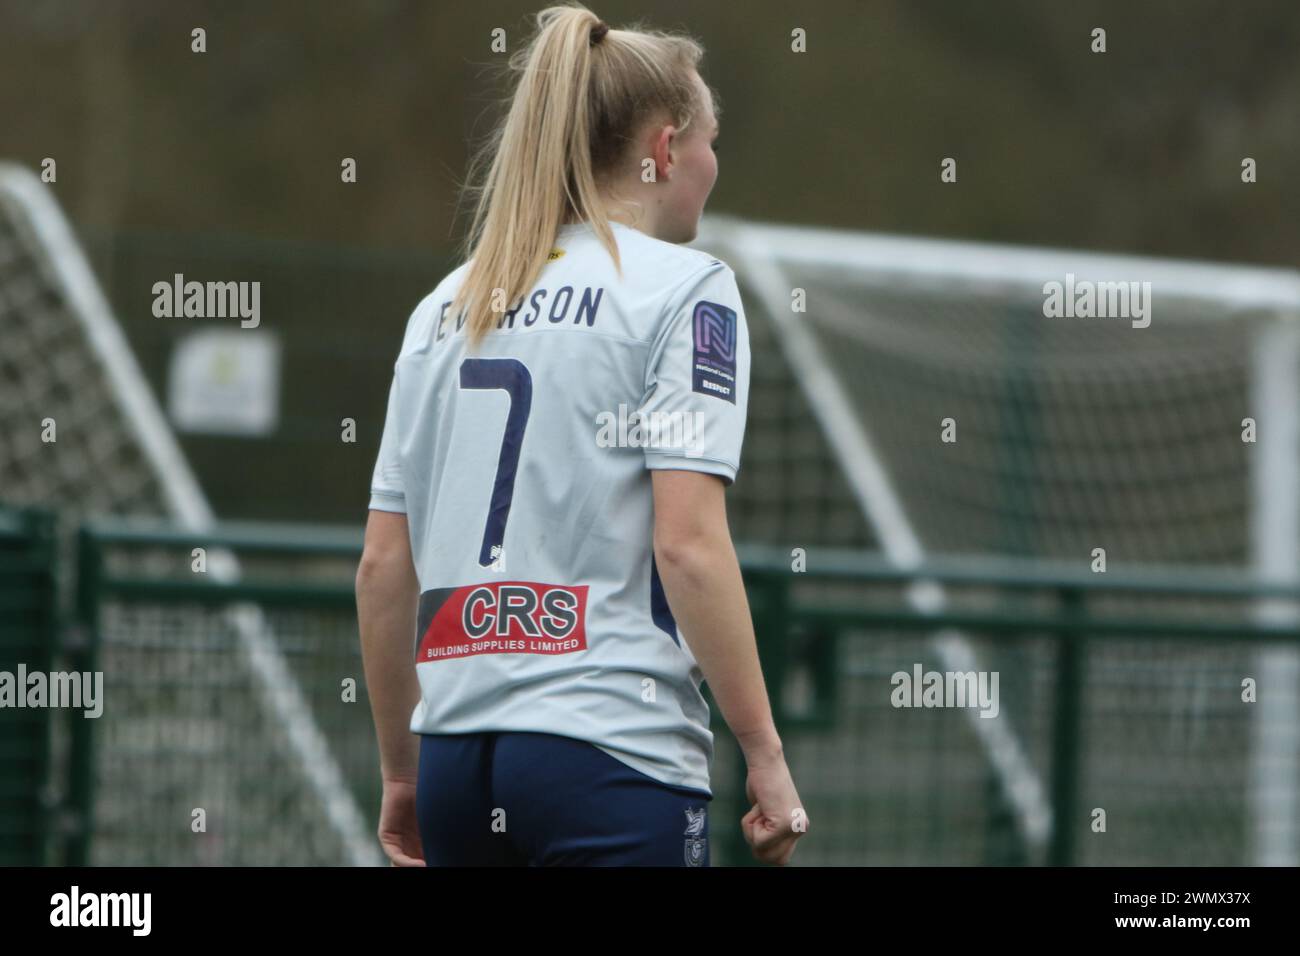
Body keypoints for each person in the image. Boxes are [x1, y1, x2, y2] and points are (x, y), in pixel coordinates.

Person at [355, 2, 805, 867]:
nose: (714, 164)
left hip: (456, 758)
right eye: (711, 141)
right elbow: (689, 545)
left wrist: (402, 774)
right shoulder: (686, 290)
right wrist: (764, 753)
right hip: (610, 750)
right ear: (667, 148)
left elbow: (382, 565)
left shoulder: (444, 306)